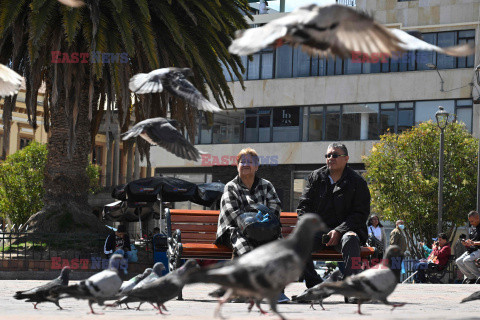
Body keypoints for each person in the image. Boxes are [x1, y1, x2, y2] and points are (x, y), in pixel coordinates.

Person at [296, 142, 370, 293]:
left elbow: (360, 214)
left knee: (350, 239)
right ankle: (315, 285)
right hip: (319, 232)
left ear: (346, 158)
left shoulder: (357, 182)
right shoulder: (315, 177)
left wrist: (339, 230)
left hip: (347, 232)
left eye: (335, 155)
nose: (331, 158)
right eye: (328, 155)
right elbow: (303, 207)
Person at [215, 148, 286, 302]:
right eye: (242, 161)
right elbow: (232, 213)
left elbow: (275, 207)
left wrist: (260, 224)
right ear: (237, 165)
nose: (246, 164)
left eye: (250, 161)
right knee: (245, 247)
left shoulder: (266, 185)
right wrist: (252, 222)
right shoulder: (231, 186)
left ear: (257, 166)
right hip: (234, 230)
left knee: (279, 248)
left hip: (265, 229)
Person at [456, 211, 480, 284]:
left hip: (478, 250)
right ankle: (471, 278)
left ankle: (478, 276)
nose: (471, 223)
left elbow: (474, 242)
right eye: (470, 221)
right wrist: (466, 242)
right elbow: (472, 240)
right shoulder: (473, 228)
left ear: (477, 218)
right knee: (458, 261)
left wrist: (473, 243)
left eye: (472, 221)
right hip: (472, 250)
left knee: (466, 260)